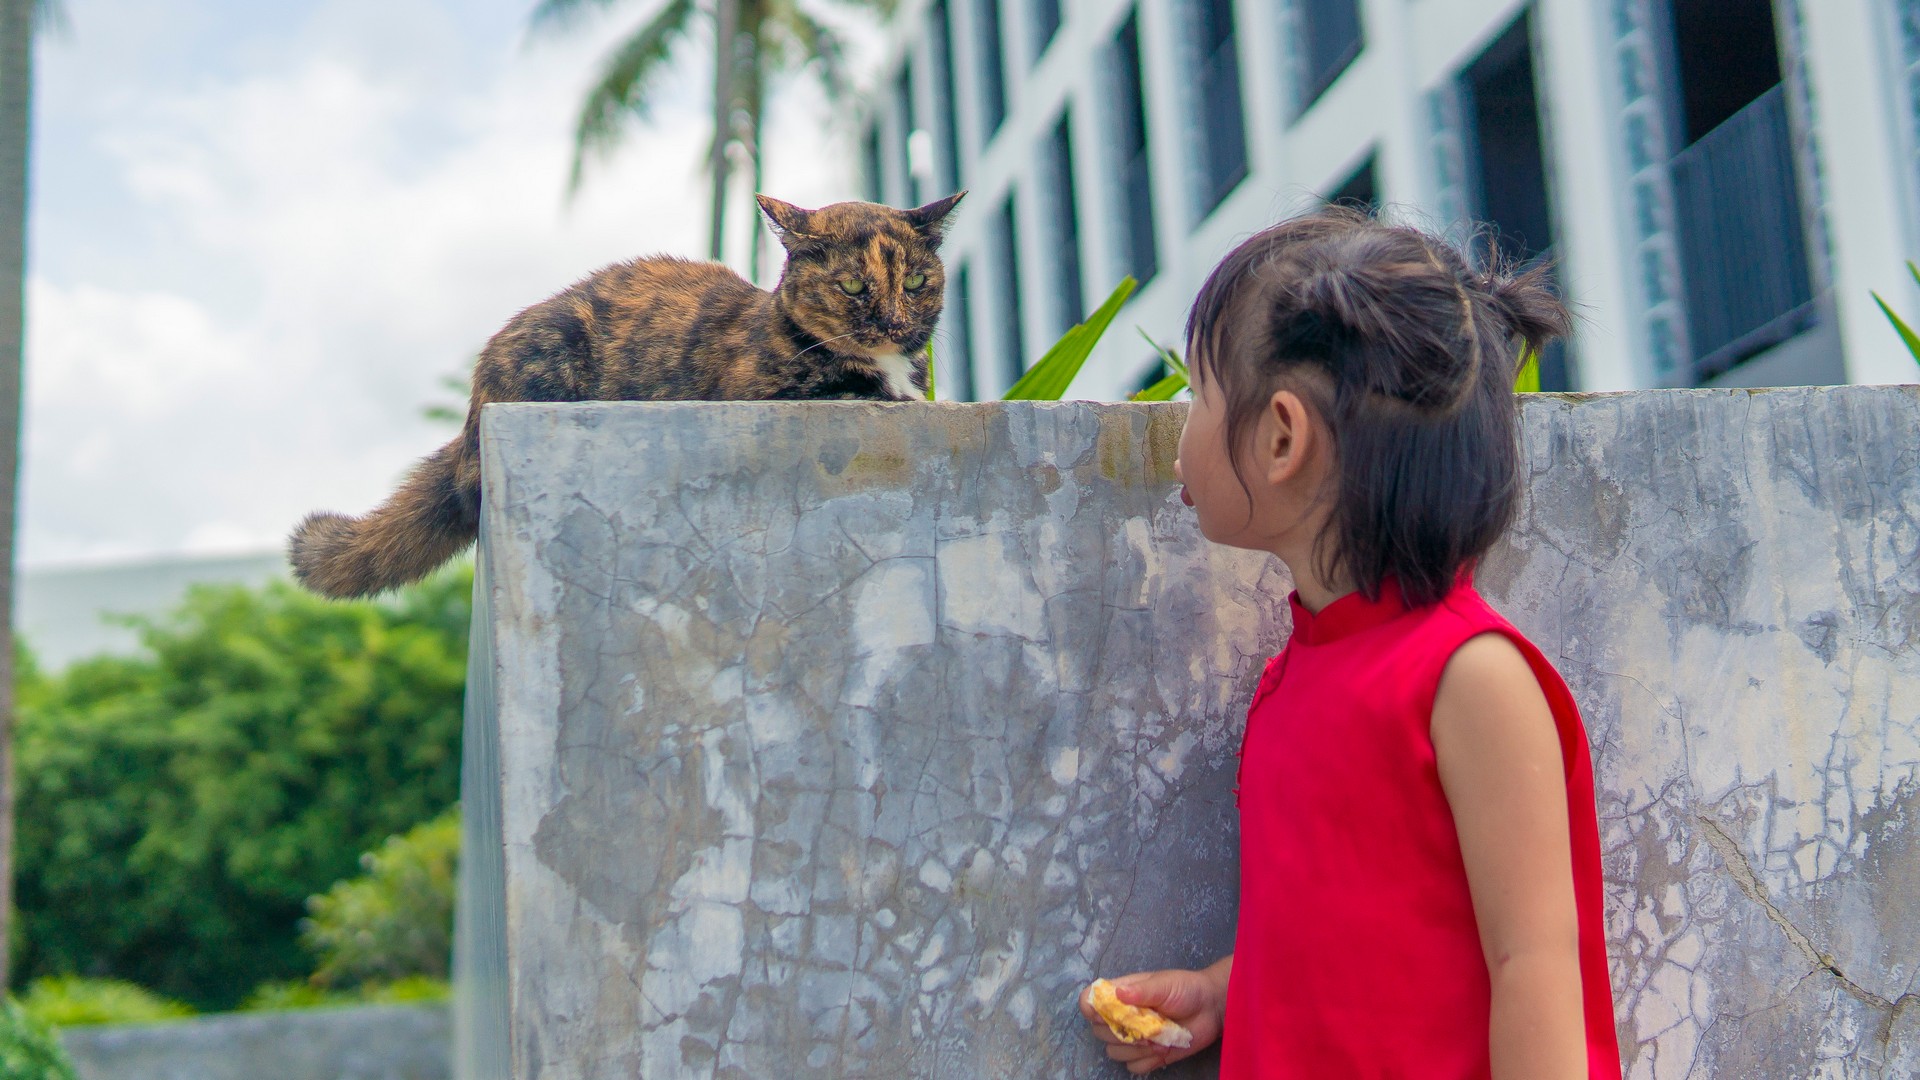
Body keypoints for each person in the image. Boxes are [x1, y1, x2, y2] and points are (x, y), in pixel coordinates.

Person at [1079, 209, 1620, 1078]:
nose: (1181, 432)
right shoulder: (1299, 670)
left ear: (1281, 437)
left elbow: (1536, 968)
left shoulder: (1469, 676)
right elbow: (1339, 932)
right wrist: (1225, 994)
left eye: (1198, 395)